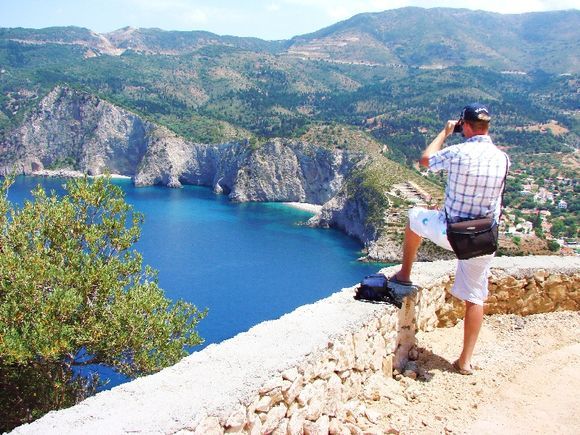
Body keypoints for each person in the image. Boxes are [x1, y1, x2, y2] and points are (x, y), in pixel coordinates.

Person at [390, 103, 510, 375]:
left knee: (413, 218)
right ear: (487, 126)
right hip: (483, 238)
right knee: (475, 297)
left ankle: (405, 274)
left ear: (464, 125)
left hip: (451, 232)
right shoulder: (503, 158)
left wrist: (444, 132)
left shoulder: (458, 151)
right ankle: (464, 361)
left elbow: (425, 159)